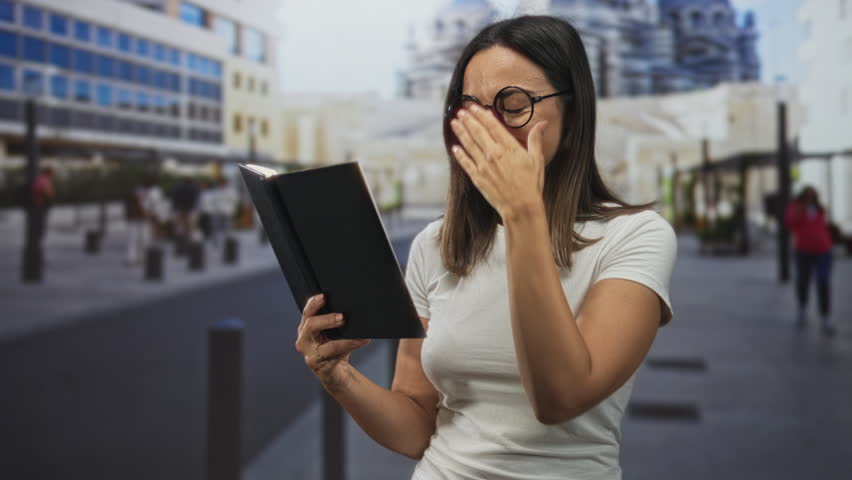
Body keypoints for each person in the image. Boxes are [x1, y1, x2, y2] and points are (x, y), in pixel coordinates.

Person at [294, 16, 677, 479]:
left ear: (572, 116)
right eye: (470, 108)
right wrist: (341, 379)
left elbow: (560, 398)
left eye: (513, 105)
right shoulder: (436, 244)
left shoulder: (636, 236)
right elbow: (416, 426)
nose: (486, 128)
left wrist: (522, 214)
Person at [784, 186, 835, 336]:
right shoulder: (795, 206)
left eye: (812, 196)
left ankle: (825, 317)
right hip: (803, 251)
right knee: (803, 281)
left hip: (823, 250)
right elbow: (790, 223)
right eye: (807, 195)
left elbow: (822, 225)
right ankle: (802, 308)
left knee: (823, 282)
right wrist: (801, 209)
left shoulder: (819, 208)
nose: (810, 198)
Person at [123, 183, 148, 266]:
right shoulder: (133, 201)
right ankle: (133, 258)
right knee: (135, 240)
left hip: (137, 220)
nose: (141, 195)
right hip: (135, 221)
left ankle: (138, 258)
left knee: (140, 240)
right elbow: (143, 211)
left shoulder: (131, 201)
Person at [30, 166, 55, 246]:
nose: (53, 175)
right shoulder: (43, 179)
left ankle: (38, 236)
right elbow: (43, 191)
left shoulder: (43, 179)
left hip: (40, 203)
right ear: (48, 173)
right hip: (41, 204)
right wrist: (48, 200)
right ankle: (38, 237)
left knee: (41, 221)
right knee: (40, 221)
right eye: (51, 173)